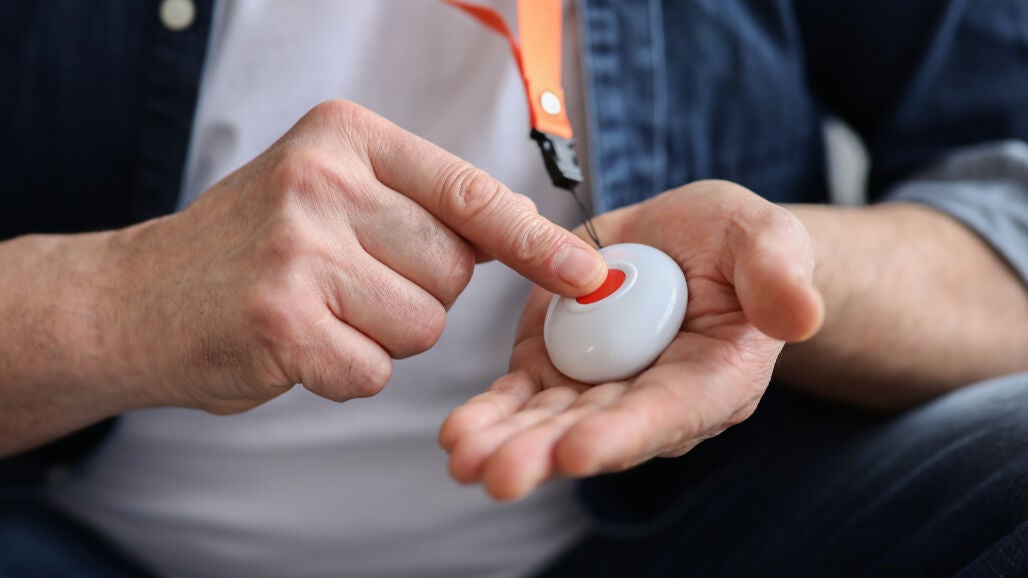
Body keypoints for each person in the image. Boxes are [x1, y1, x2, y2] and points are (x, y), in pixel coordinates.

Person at [2, 1, 1027, 577]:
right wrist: (113, 302)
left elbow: (1007, 199)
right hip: (71, 541)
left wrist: (781, 268)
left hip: (693, 528)